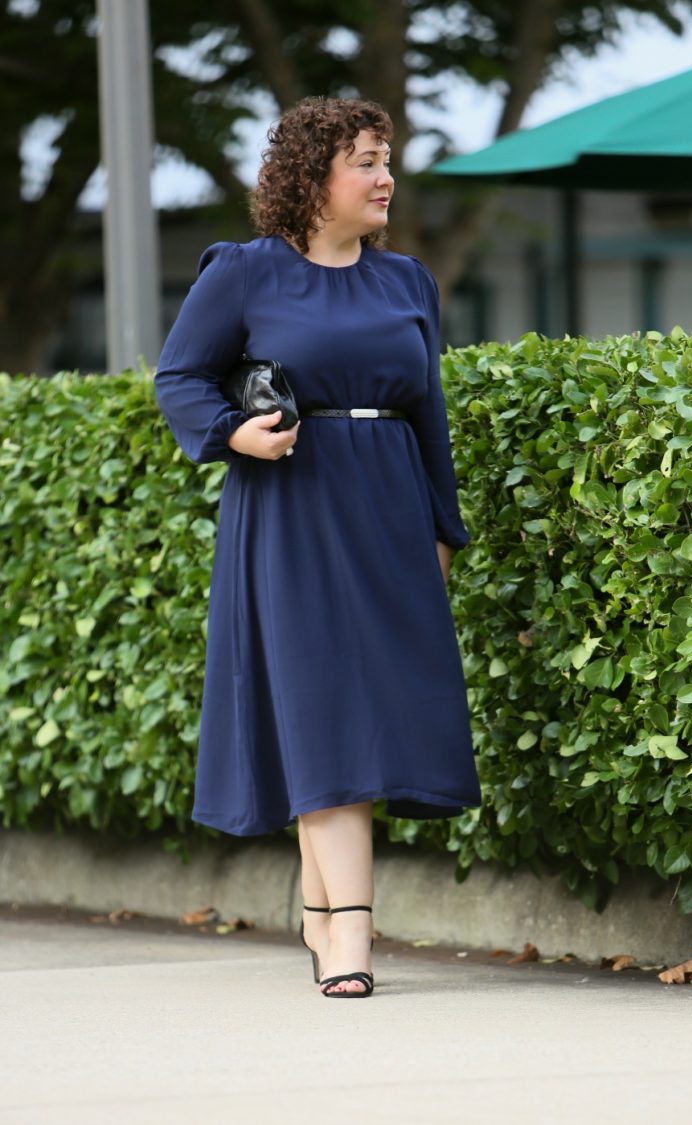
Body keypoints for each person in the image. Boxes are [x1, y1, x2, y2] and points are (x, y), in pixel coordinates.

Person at [155, 96, 481, 998]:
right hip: (291, 510)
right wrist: (233, 434)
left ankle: (318, 907)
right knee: (323, 708)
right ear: (312, 177)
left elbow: (430, 418)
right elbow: (177, 376)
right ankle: (352, 943)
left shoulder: (409, 281)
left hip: (387, 511)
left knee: (357, 713)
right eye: (367, 161)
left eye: (387, 161)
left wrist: (442, 530)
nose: (385, 178)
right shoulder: (245, 272)